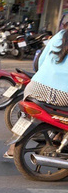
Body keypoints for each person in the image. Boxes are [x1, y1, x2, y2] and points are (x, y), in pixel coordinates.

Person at [4, 24, 68, 158]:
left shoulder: (60, 35)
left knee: (26, 117)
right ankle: (59, 137)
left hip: (34, 86)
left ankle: (12, 148)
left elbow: (40, 61)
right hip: (61, 93)